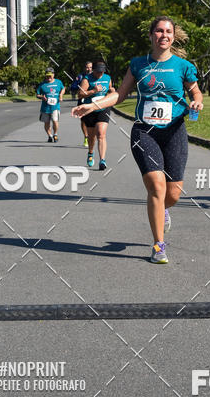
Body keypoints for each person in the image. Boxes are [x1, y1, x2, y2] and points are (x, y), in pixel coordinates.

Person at [72, 17, 203, 265]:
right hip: (145, 132)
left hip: (174, 131)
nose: (163, 35)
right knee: (156, 185)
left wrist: (197, 100)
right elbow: (119, 95)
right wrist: (92, 105)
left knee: (173, 194)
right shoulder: (138, 64)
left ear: (173, 36)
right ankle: (158, 245)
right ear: (151, 35)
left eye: (168, 31)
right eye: (158, 31)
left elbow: (195, 90)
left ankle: (163, 210)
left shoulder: (183, 66)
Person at [78, 60, 113, 169]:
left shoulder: (107, 78)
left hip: (103, 108)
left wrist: (112, 91)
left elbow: (110, 88)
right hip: (90, 109)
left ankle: (102, 160)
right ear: (93, 70)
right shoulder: (87, 79)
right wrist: (93, 91)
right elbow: (80, 94)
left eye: (102, 72)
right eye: (98, 72)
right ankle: (90, 153)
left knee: (101, 133)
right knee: (92, 136)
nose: (100, 74)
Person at [35, 69, 65, 142]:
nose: (49, 77)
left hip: (55, 106)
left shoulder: (58, 82)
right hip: (45, 107)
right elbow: (37, 94)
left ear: (53, 74)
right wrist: (41, 97)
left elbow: (63, 88)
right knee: (47, 123)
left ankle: (55, 134)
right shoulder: (42, 84)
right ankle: (49, 135)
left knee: (55, 120)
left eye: (50, 75)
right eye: (47, 76)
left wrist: (61, 95)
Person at [76, 61, 92, 147]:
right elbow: (73, 87)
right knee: (83, 120)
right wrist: (78, 84)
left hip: (93, 101)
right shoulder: (80, 76)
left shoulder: (95, 76)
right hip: (82, 100)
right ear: (84, 68)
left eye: (90, 67)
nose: (89, 69)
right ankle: (86, 137)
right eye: (87, 67)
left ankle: (92, 136)